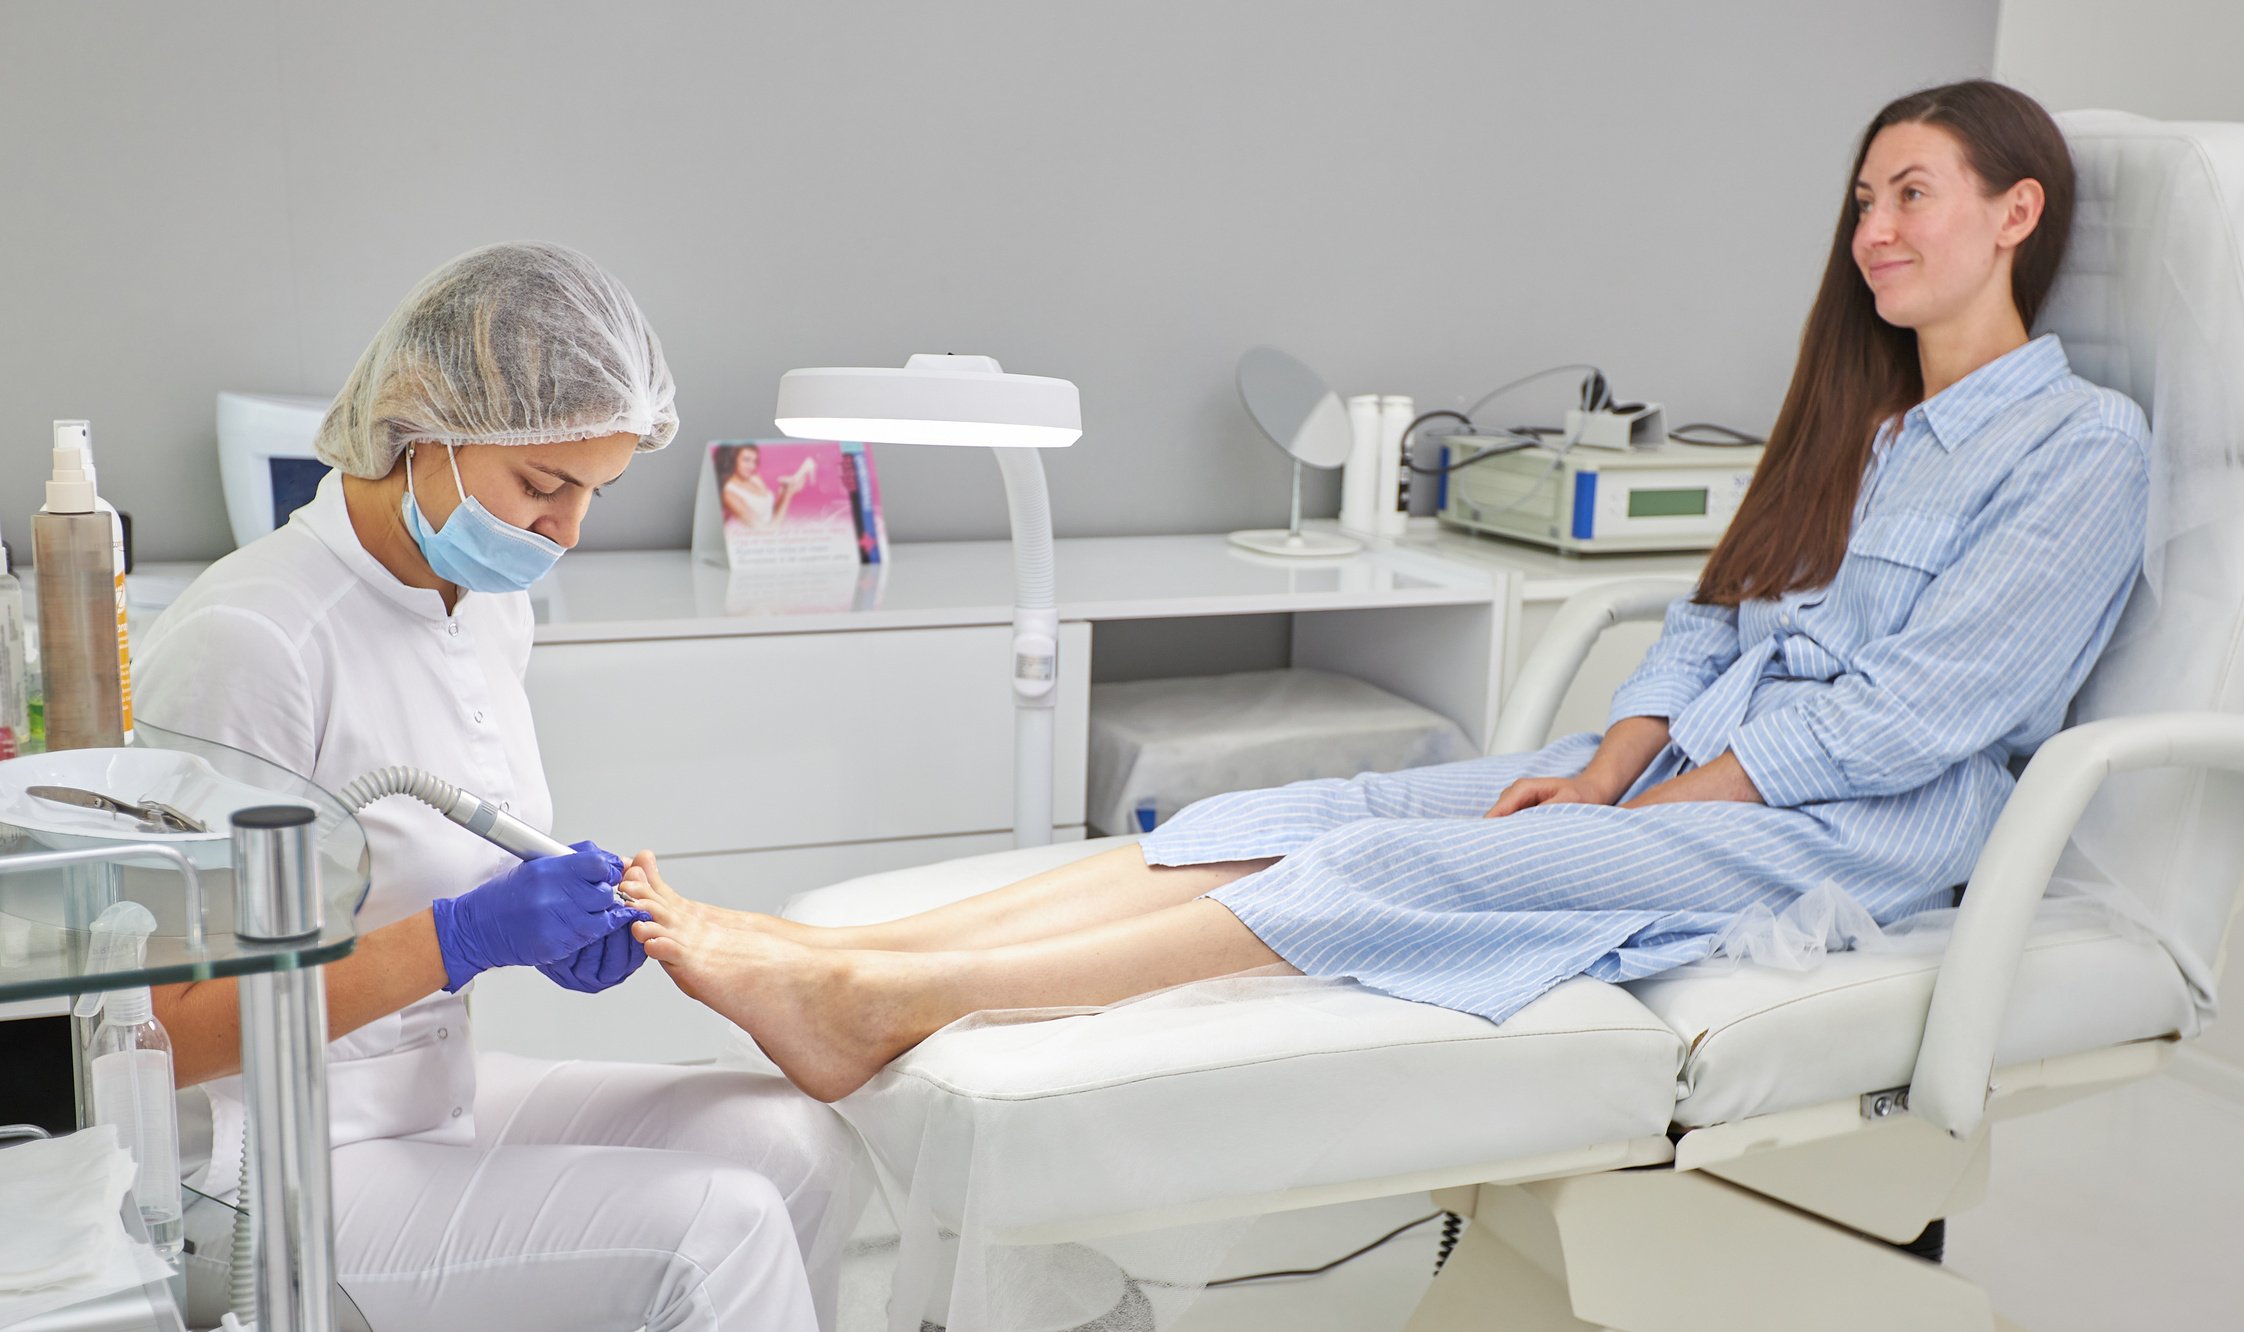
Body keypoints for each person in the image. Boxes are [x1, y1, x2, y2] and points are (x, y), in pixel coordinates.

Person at [616, 79, 2152, 1107]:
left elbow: (1924, 713)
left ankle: (894, 1003)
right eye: (1862, 200)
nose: (1873, 231)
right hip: (1692, 775)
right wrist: (1611, 764)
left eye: (1913, 195)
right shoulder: (1855, 422)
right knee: (1326, 808)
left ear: (2017, 214)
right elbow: (1714, 615)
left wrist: (1651, 815)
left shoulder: (2083, 446)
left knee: (1409, 878)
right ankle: (849, 958)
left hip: (1851, 833)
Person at [135, 242, 864, 1330]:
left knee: (790, 1141)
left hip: (435, 1094)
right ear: (424, 432)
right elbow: (160, 1033)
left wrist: (561, 924)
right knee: (719, 1226)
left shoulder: (482, 604)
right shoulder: (254, 642)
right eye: (544, 485)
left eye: (595, 493)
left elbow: (462, 843)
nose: (568, 531)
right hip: (268, 1159)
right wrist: (461, 936)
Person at [720, 442, 814, 530]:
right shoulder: (728, 493)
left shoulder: (754, 478)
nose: (752, 466)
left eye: (755, 461)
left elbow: (769, 513)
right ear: (733, 460)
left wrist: (783, 495)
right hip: (749, 542)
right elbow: (766, 532)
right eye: (746, 460)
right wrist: (787, 496)